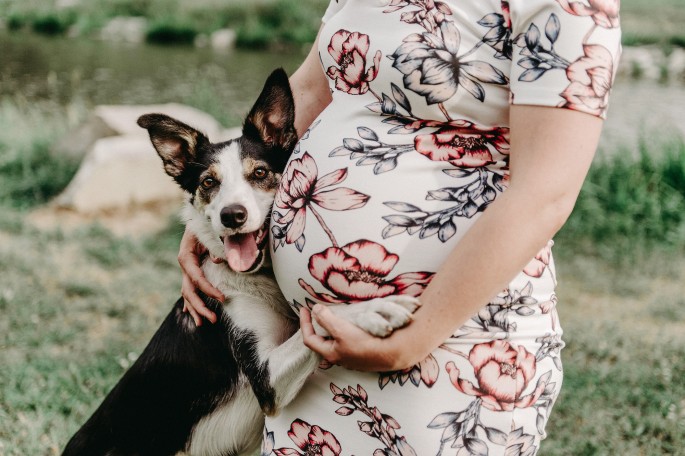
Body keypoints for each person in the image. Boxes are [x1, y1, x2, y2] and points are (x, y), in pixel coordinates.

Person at [178, 0, 621, 453]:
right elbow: (311, 91)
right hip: (307, 361)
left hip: (449, 345)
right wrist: (222, 212)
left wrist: (411, 341)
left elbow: (545, 192)